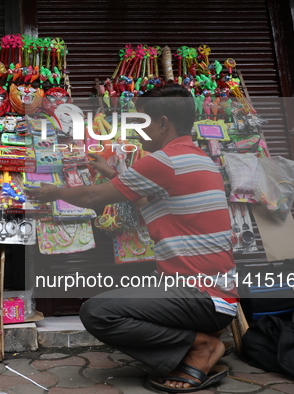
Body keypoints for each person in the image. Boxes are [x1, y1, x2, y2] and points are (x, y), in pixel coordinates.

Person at [30, 84, 238, 393]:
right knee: (126, 295)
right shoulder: (198, 159)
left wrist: (54, 192)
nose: (138, 131)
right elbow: (147, 202)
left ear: (163, 123)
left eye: (141, 122)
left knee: (97, 312)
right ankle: (197, 342)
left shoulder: (163, 161)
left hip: (202, 295)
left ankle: (202, 347)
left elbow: (92, 196)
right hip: (216, 294)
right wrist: (114, 174)